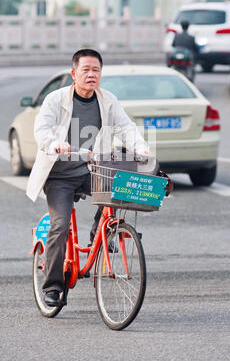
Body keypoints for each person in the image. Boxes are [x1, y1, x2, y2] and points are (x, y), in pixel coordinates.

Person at [26, 49, 154, 307]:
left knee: (119, 193)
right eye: (85, 70)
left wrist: (141, 148)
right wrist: (55, 143)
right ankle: (52, 286)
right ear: (74, 74)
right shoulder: (56, 99)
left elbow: (125, 127)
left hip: (89, 168)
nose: (91, 75)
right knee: (60, 225)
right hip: (59, 176)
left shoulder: (107, 100)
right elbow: (41, 129)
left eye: (96, 70)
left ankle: (101, 231)